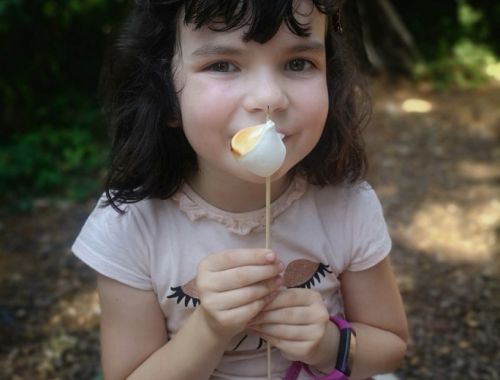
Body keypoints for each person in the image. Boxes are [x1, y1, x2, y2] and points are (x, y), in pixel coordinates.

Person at [72, 0, 408, 379]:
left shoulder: (347, 205)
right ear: (165, 93)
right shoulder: (130, 227)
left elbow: (390, 346)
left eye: (298, 63)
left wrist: (330, 345)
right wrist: (209, 329)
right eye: (223, 65)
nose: (268, 98)